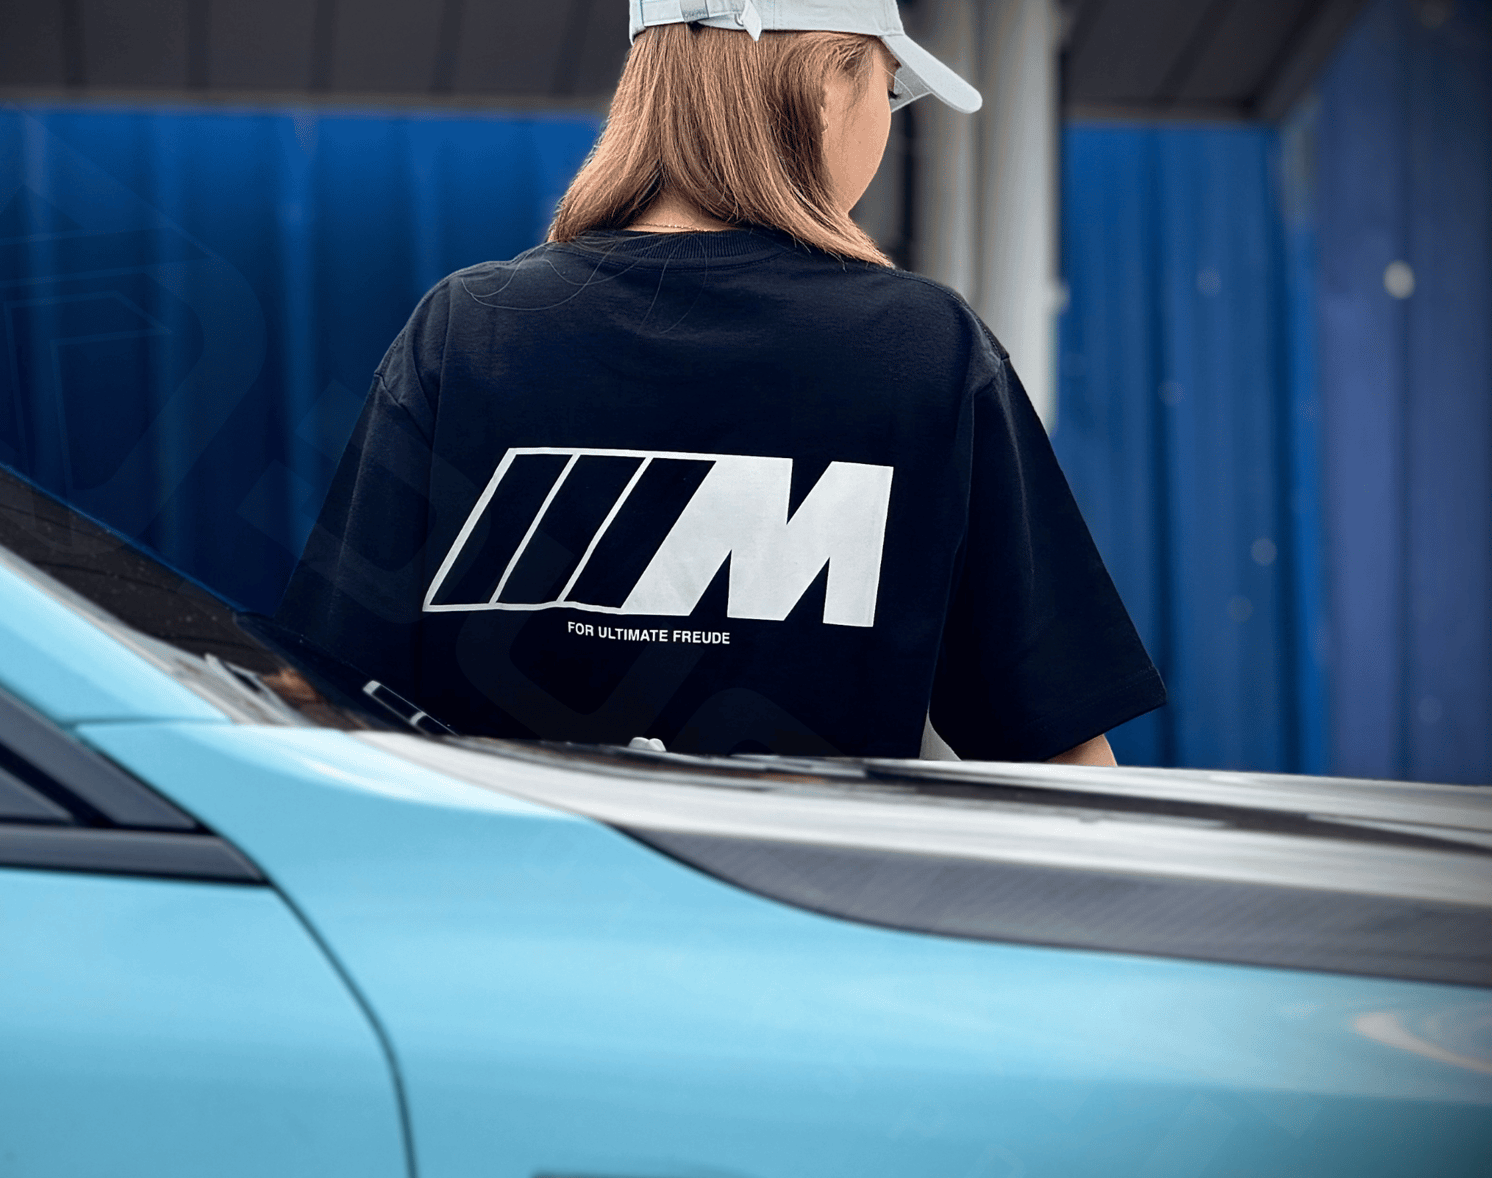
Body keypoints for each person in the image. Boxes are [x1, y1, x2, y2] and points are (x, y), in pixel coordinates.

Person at [274, 0, 1165, 764]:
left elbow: (327, 700)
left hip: (496, 938)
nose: (888, 127)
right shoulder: (922, 349)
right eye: (888, 88)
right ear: (826, 84)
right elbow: (1062, 761)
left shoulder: (470, 330)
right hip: (805, 943)